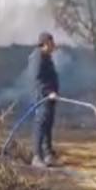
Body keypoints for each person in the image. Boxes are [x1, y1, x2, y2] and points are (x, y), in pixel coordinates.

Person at [29, 32, 60, 168]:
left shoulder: (46, 57)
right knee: (40, 125)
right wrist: (48, 93)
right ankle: (37, 157)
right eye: (52, 43)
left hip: (50, 97)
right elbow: (37, 79)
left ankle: (48, 155)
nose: (54, 46)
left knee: (47, 126)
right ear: (46, 43)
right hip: (42, 97)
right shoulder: (37, 57)